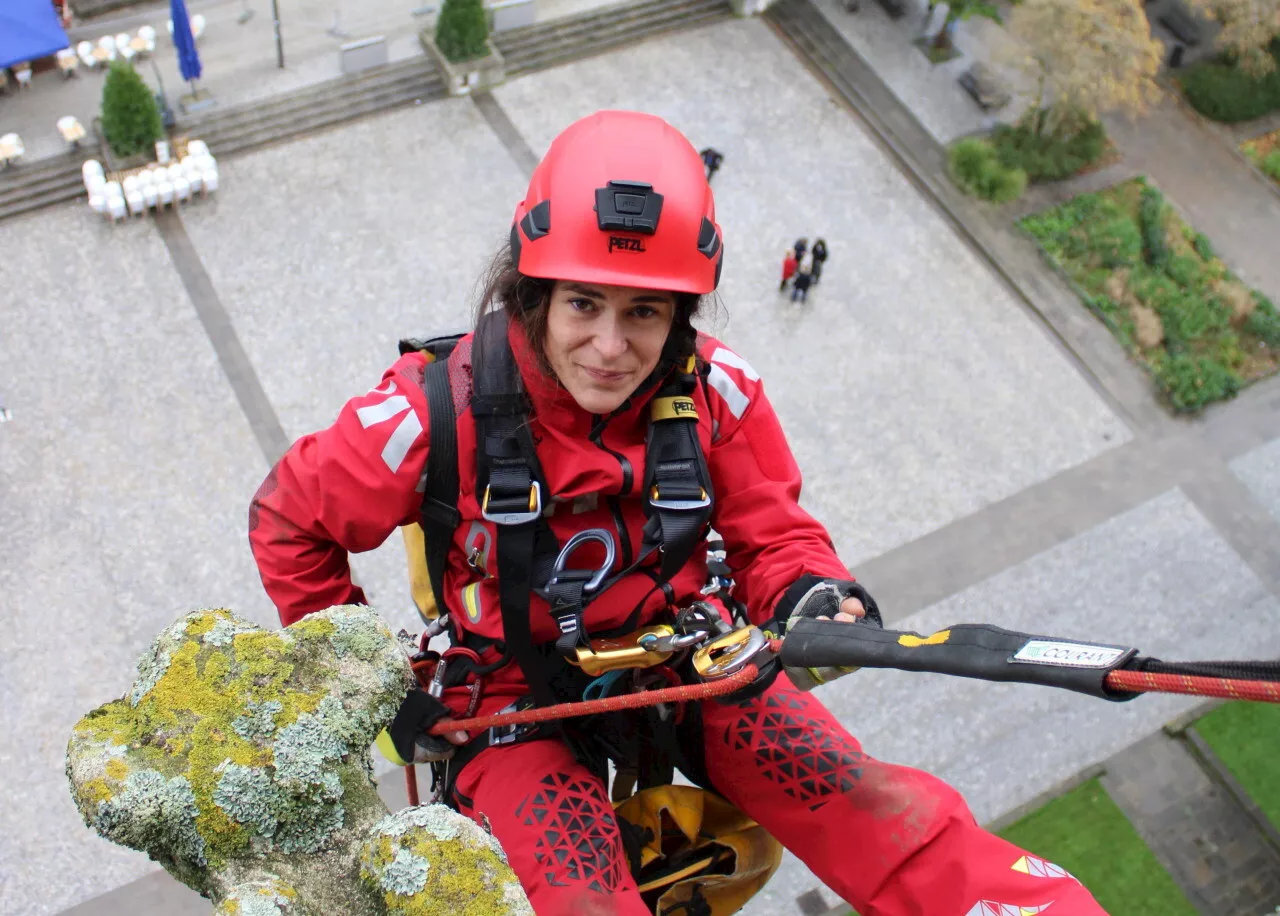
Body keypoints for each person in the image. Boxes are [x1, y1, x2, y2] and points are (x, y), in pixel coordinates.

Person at [248, 110, 1109, 916]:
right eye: (584, 304)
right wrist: (374, 686)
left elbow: (773, 531)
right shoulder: (431, 416)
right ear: (534, 290)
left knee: (867, 807)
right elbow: (290, 521)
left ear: (680, 316)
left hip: (686, 655)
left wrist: (808, 592)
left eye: (644, 313)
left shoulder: (712, 393)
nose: (611, 347)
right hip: (511, 703)